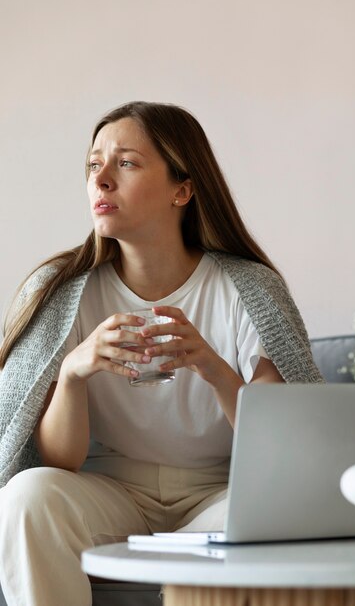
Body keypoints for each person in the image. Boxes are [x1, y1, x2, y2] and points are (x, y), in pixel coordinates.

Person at [0, 101, 323, 606]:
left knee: (293, 509)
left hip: (218, 496)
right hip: (110, 495)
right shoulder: (61, 293)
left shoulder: (249, 290)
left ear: (182, 190)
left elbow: (278, 447)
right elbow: (57, 462)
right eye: (93, 164)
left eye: (125, 163)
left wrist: (214, 369)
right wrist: (72, 374)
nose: (101, 180)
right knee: (26, 497)